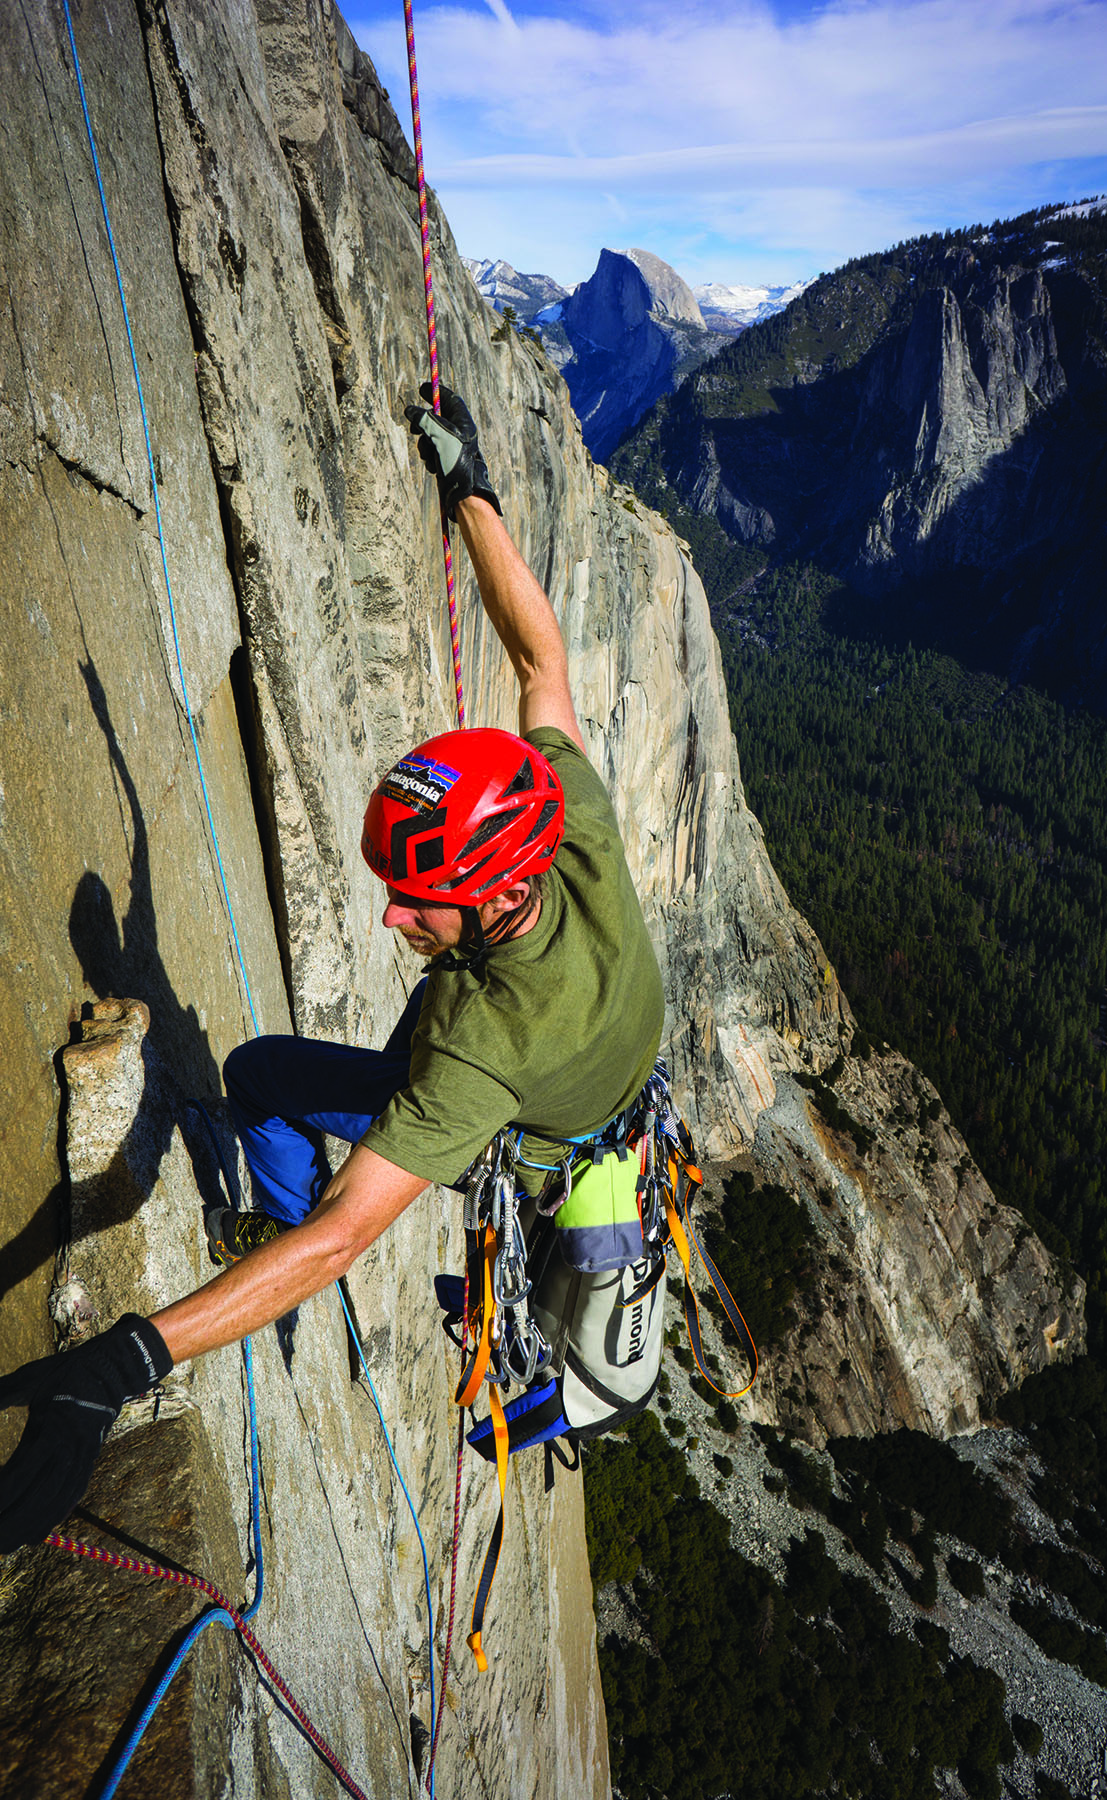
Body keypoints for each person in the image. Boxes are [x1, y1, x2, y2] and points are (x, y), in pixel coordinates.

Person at [0, 388, 665, 1553]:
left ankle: (263, 1210)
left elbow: (349, 1237)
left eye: (422, 900)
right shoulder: (575, 828)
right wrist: (474, 494)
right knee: (322, 1059)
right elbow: (538, 652)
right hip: (609, 1098)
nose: (394, 913)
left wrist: (123, 1360)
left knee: (255, 1073)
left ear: (495, 893)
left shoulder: (476, 1054)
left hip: (532, 1122)